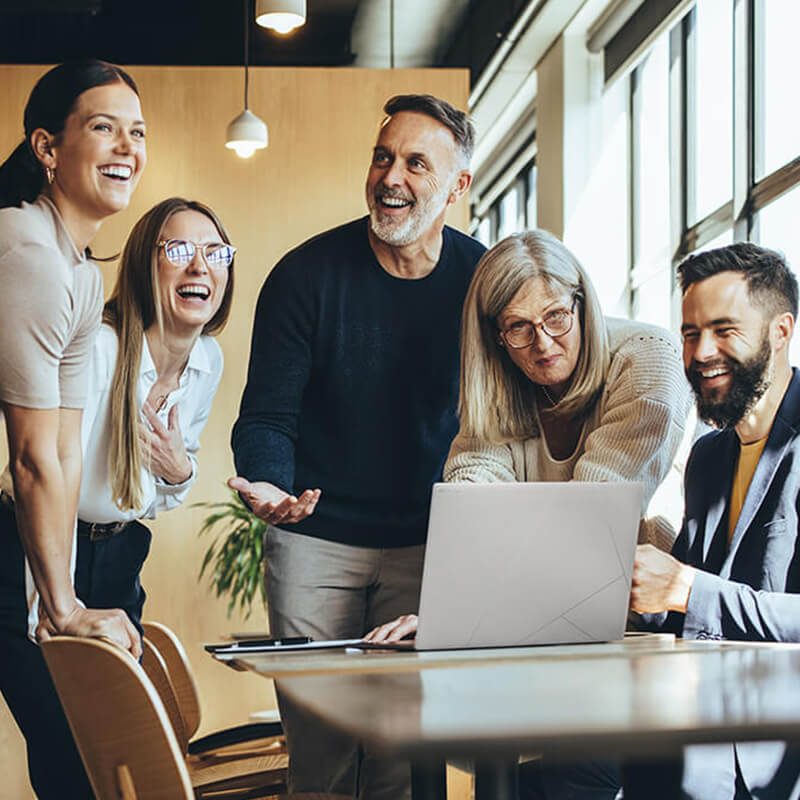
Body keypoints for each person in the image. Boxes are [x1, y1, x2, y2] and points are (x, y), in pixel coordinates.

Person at [229, 93, 485, 798]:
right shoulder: (305, 275)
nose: (390, 177)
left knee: (405, 760)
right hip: (316, 541)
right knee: (323, 759)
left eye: (414, 163)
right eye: (382, 156)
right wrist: (270, 483)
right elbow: (266, 417)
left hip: (429, 544)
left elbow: (505, 420)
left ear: (458, 187)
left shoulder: (482, 281)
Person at [521, 242, 800, 800]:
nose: (701, 352)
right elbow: (675, 611)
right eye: (691, 333)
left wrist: (684, 587)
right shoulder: (710, 456)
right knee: (536, 773)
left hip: (772, 734)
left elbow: (696, 596)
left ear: (781, 332)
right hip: (696, 708)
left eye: (725, 330)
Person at [365, 228, 692, 645]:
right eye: (518, 327)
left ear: (582, 303)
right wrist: (450, 615)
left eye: (556, 316)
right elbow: (474, 511)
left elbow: (590, 522)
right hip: (534, 613)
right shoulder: (500, 385)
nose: (543, 343)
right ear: (496, 338)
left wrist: (463, 615)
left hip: (646, 620)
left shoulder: (648, 359)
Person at [0, 60, 146, 799]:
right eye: (102, 127)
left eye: (137, 132)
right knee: (70, 745)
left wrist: (61, 604)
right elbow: (28, 459)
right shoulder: (26, 253)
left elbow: (60, 447)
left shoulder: (82, 275)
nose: (127, 146)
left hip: (16, 541)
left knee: (76, 747)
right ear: (47, 148)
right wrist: (58, 607)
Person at [73, 197, 232, 637]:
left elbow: (159, 495)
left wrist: (179, 471)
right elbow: (49, 479)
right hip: (41, 551)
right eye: (179, 250)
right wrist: (56, 603)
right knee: (56, 707)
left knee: (126, 708)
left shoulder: (207, 359)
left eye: (216, 253)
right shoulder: (101, 349)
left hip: (119, 553)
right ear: (146, 264)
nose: (200, 267)